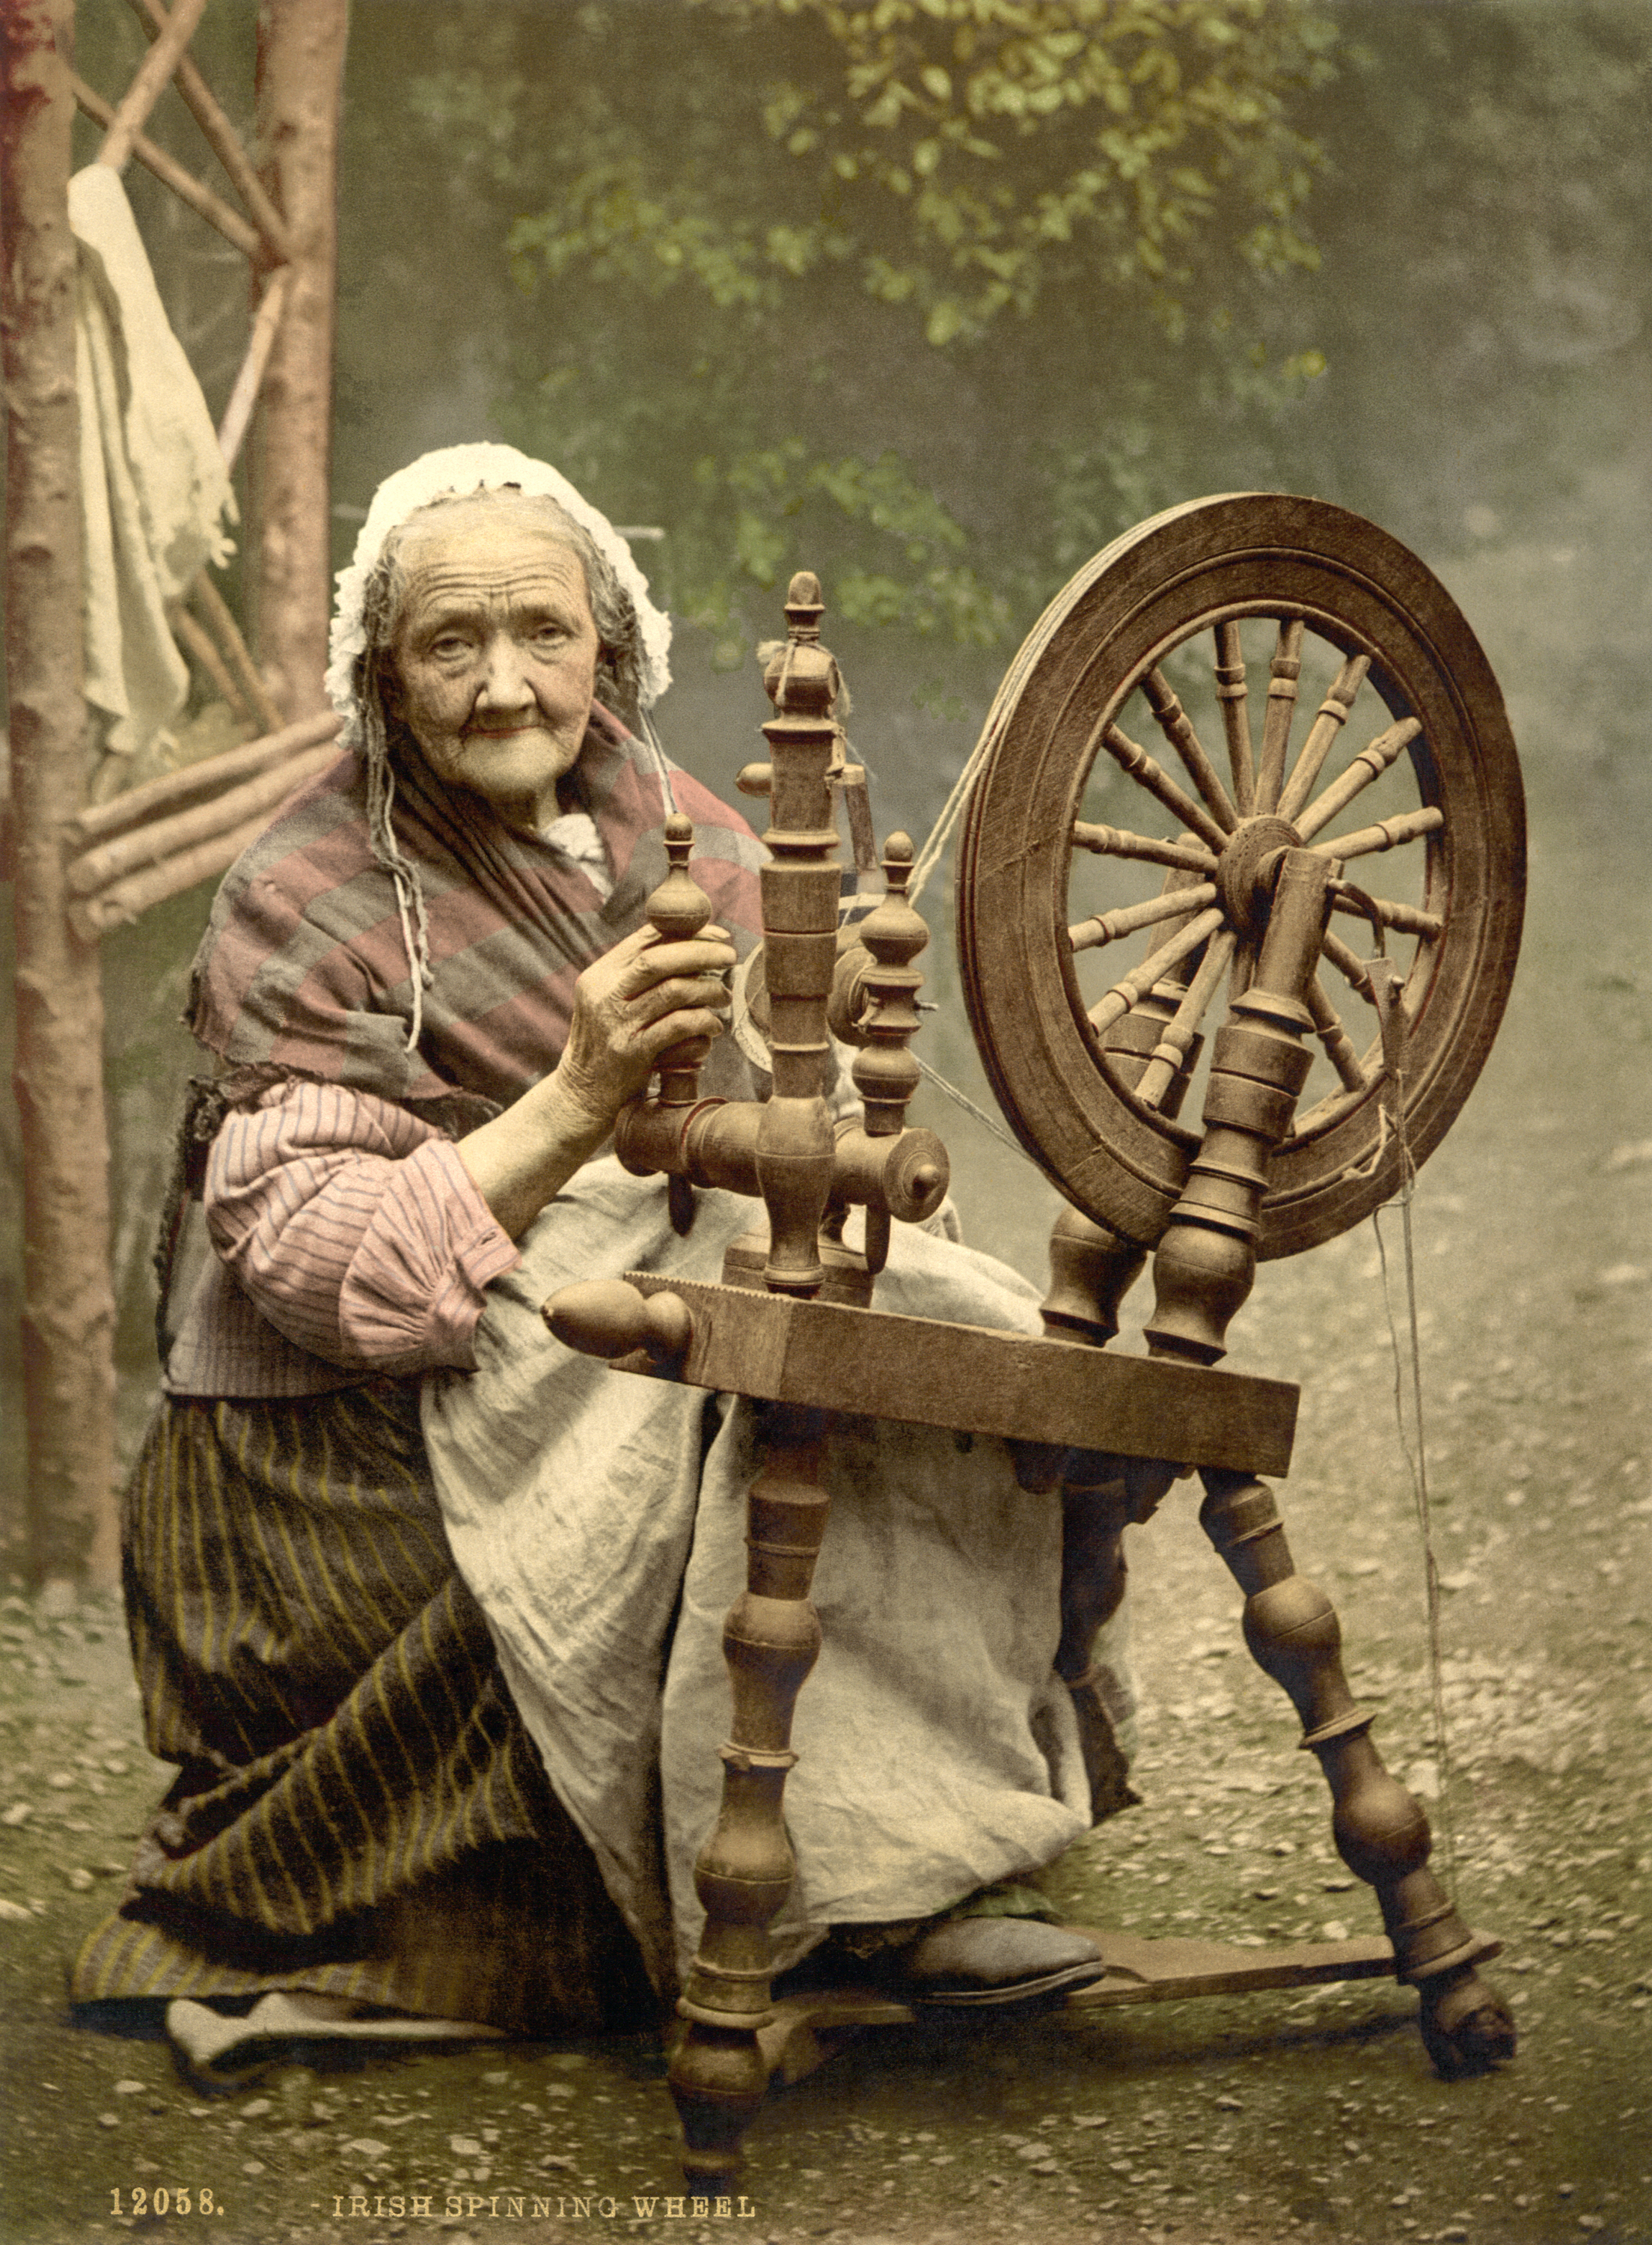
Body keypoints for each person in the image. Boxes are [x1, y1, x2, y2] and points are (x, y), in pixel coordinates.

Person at [73, 446, 1131, 2080]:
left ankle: (917, 1837)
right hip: (334, 1443)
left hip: (572, 1300)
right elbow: (323, 1276)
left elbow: (762, 1095)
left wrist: (823, 1011)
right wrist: (575, 1095)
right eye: (451, 647)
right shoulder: (308, 892)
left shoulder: (657, 809)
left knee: (926, 1330)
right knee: (722, 1412)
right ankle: (829, 1904)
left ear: (607, 647)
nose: (506, 688)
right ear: (383, 676)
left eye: (542, 636)